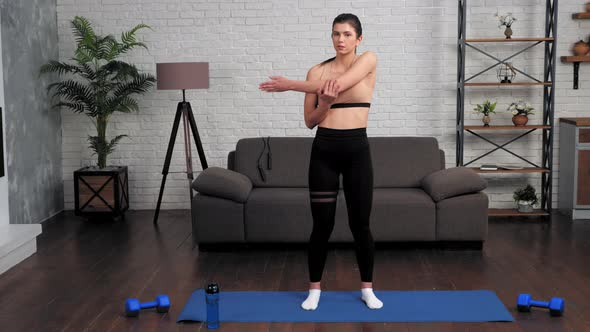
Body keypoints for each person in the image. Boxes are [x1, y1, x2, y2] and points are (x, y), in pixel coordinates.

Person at [259, 13, 382, 310]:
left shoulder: (368, 60)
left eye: (347, 34)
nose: (341, 39)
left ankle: (367, 289)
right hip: (325, 150)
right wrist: (324, 103)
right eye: (336, 34)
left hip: (357, 151)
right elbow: (310, 122)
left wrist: (291, 84)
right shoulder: (315, 71)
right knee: (321, 224)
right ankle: (314, 289)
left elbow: (340, 84)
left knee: (360, 224)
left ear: (359, 39)